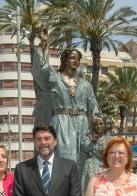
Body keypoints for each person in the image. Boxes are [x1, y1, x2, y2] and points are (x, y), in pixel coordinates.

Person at [32, 29, 100, 176]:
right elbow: (42, 72)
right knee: (64, 164)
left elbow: (94, 109)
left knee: (83, 166)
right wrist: (44, 45)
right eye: (72, 57)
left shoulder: (85, 85)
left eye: (77, 59)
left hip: (82, 127)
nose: (75, 61)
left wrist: (98, 126)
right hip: (62, 125)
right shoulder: (55, 79)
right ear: (65, 60)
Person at [82, 117, 113, 190]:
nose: (98, 126)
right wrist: (93, 141)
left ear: (105, 125)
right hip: (92, 167)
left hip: (105, 167)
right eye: (96, 124)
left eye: (101, 124)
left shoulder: (109, 138)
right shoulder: (88, 137)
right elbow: (86, 149)